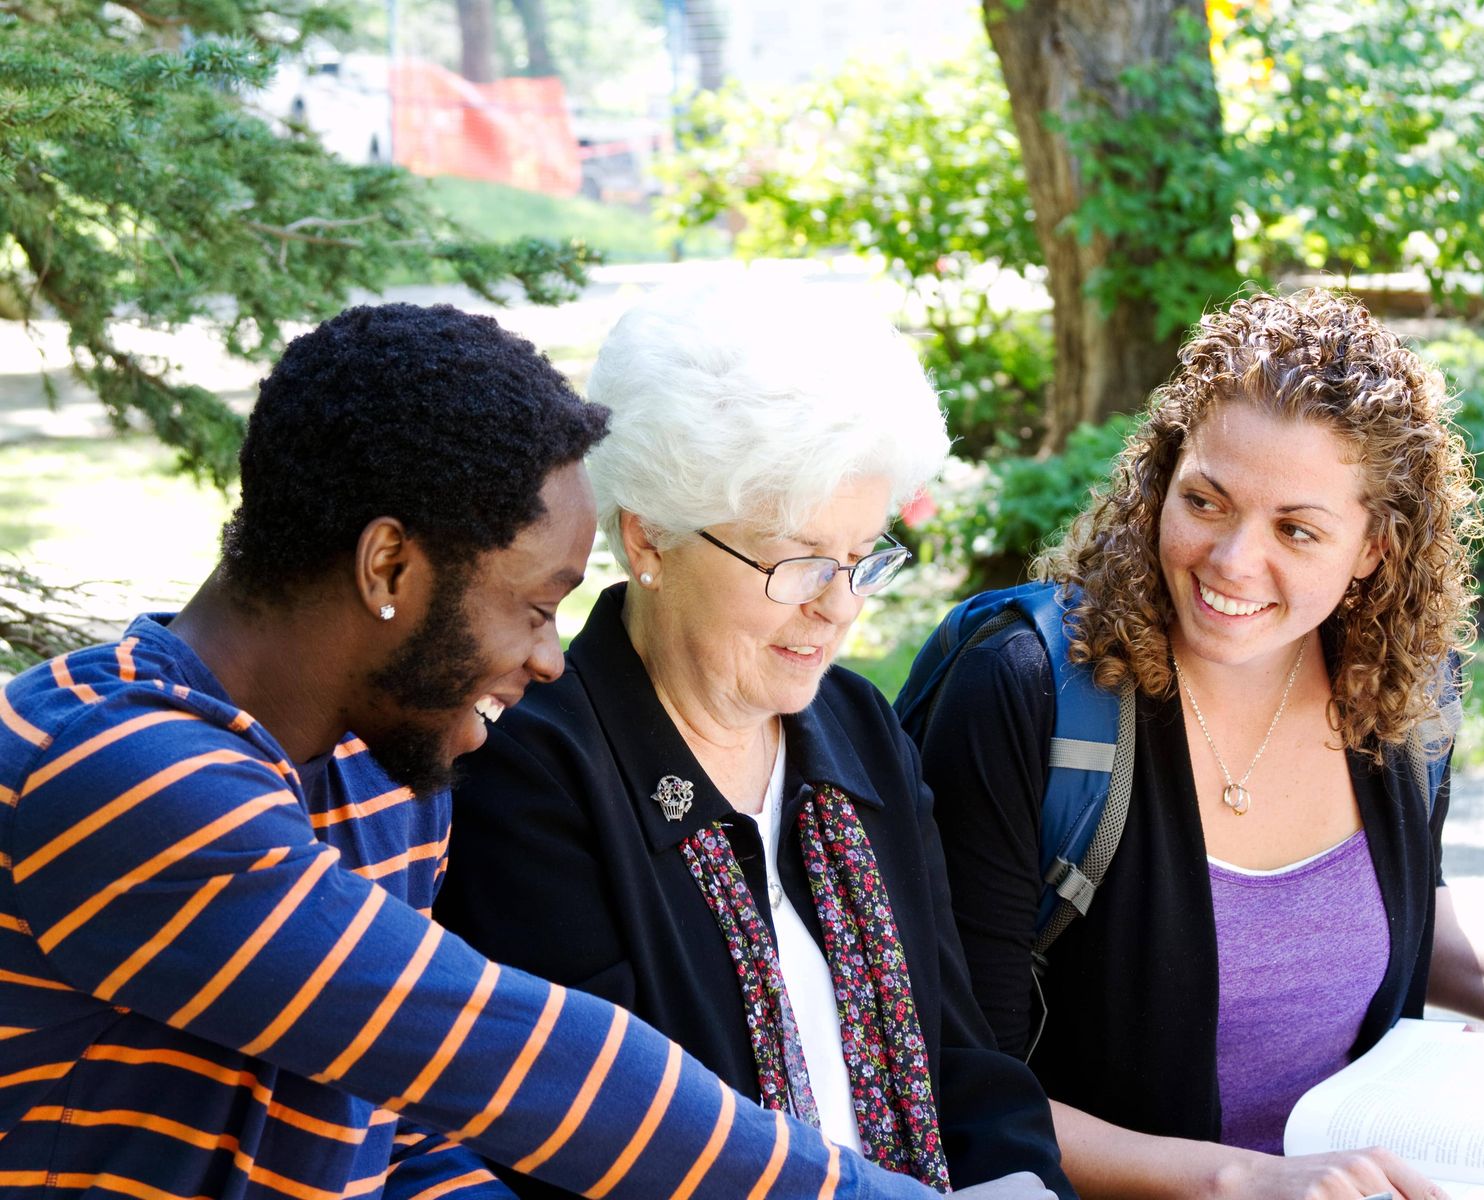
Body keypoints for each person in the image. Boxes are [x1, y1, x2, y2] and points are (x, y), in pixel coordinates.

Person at [0, 303, 1046, 1200]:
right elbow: (512, 1059)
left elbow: (400, 1131)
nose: (551, 660)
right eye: (538, 609)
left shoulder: (385, 772)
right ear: (389, 567)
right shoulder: (116, 772)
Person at [911, 291, 1484, 1200]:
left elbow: (1397, 905)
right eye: (1205, 502)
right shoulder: (1022, 690)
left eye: (1296, 529)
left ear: (1375, 546)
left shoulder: (1404, 691)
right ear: (1161, 480)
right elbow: (954, 1077)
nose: (1231, 562)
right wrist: (1242, 1181)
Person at [435, 282, 1072, 1199]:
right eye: (797, 560)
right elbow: (601, 1146)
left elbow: (965, 1063)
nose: (839, 606)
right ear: (649, 541)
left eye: (861, 557)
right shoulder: (537, 777)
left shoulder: (858, 729)